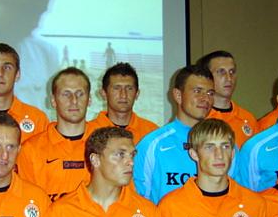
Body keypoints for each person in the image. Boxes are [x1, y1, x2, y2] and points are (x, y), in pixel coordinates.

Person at [134, 64, 214, 204]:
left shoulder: (224, 146)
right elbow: (138, 202)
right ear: (178, 95)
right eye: (197, 91)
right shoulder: (151, 145)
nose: (205, 99)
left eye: (210, 93)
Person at [17, 67, 98, 202]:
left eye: (80, 94)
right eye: (66, 94)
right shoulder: (31, 150)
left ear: (89, 100)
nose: (74, 100)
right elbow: (28, 202)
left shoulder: (105, 147)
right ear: (53, 101)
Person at [196, 50, 257, 147]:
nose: (229, 78)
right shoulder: (199, 118)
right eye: (221, 72)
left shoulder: (248, 119)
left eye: (232, 72)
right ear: (207, 77)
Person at [91, 62, 158, 144]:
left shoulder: (152, 133)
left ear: (137, 94)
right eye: (116, 88)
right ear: (104, 93)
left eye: (129, 88)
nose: (123, 95)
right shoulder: (89, 132)